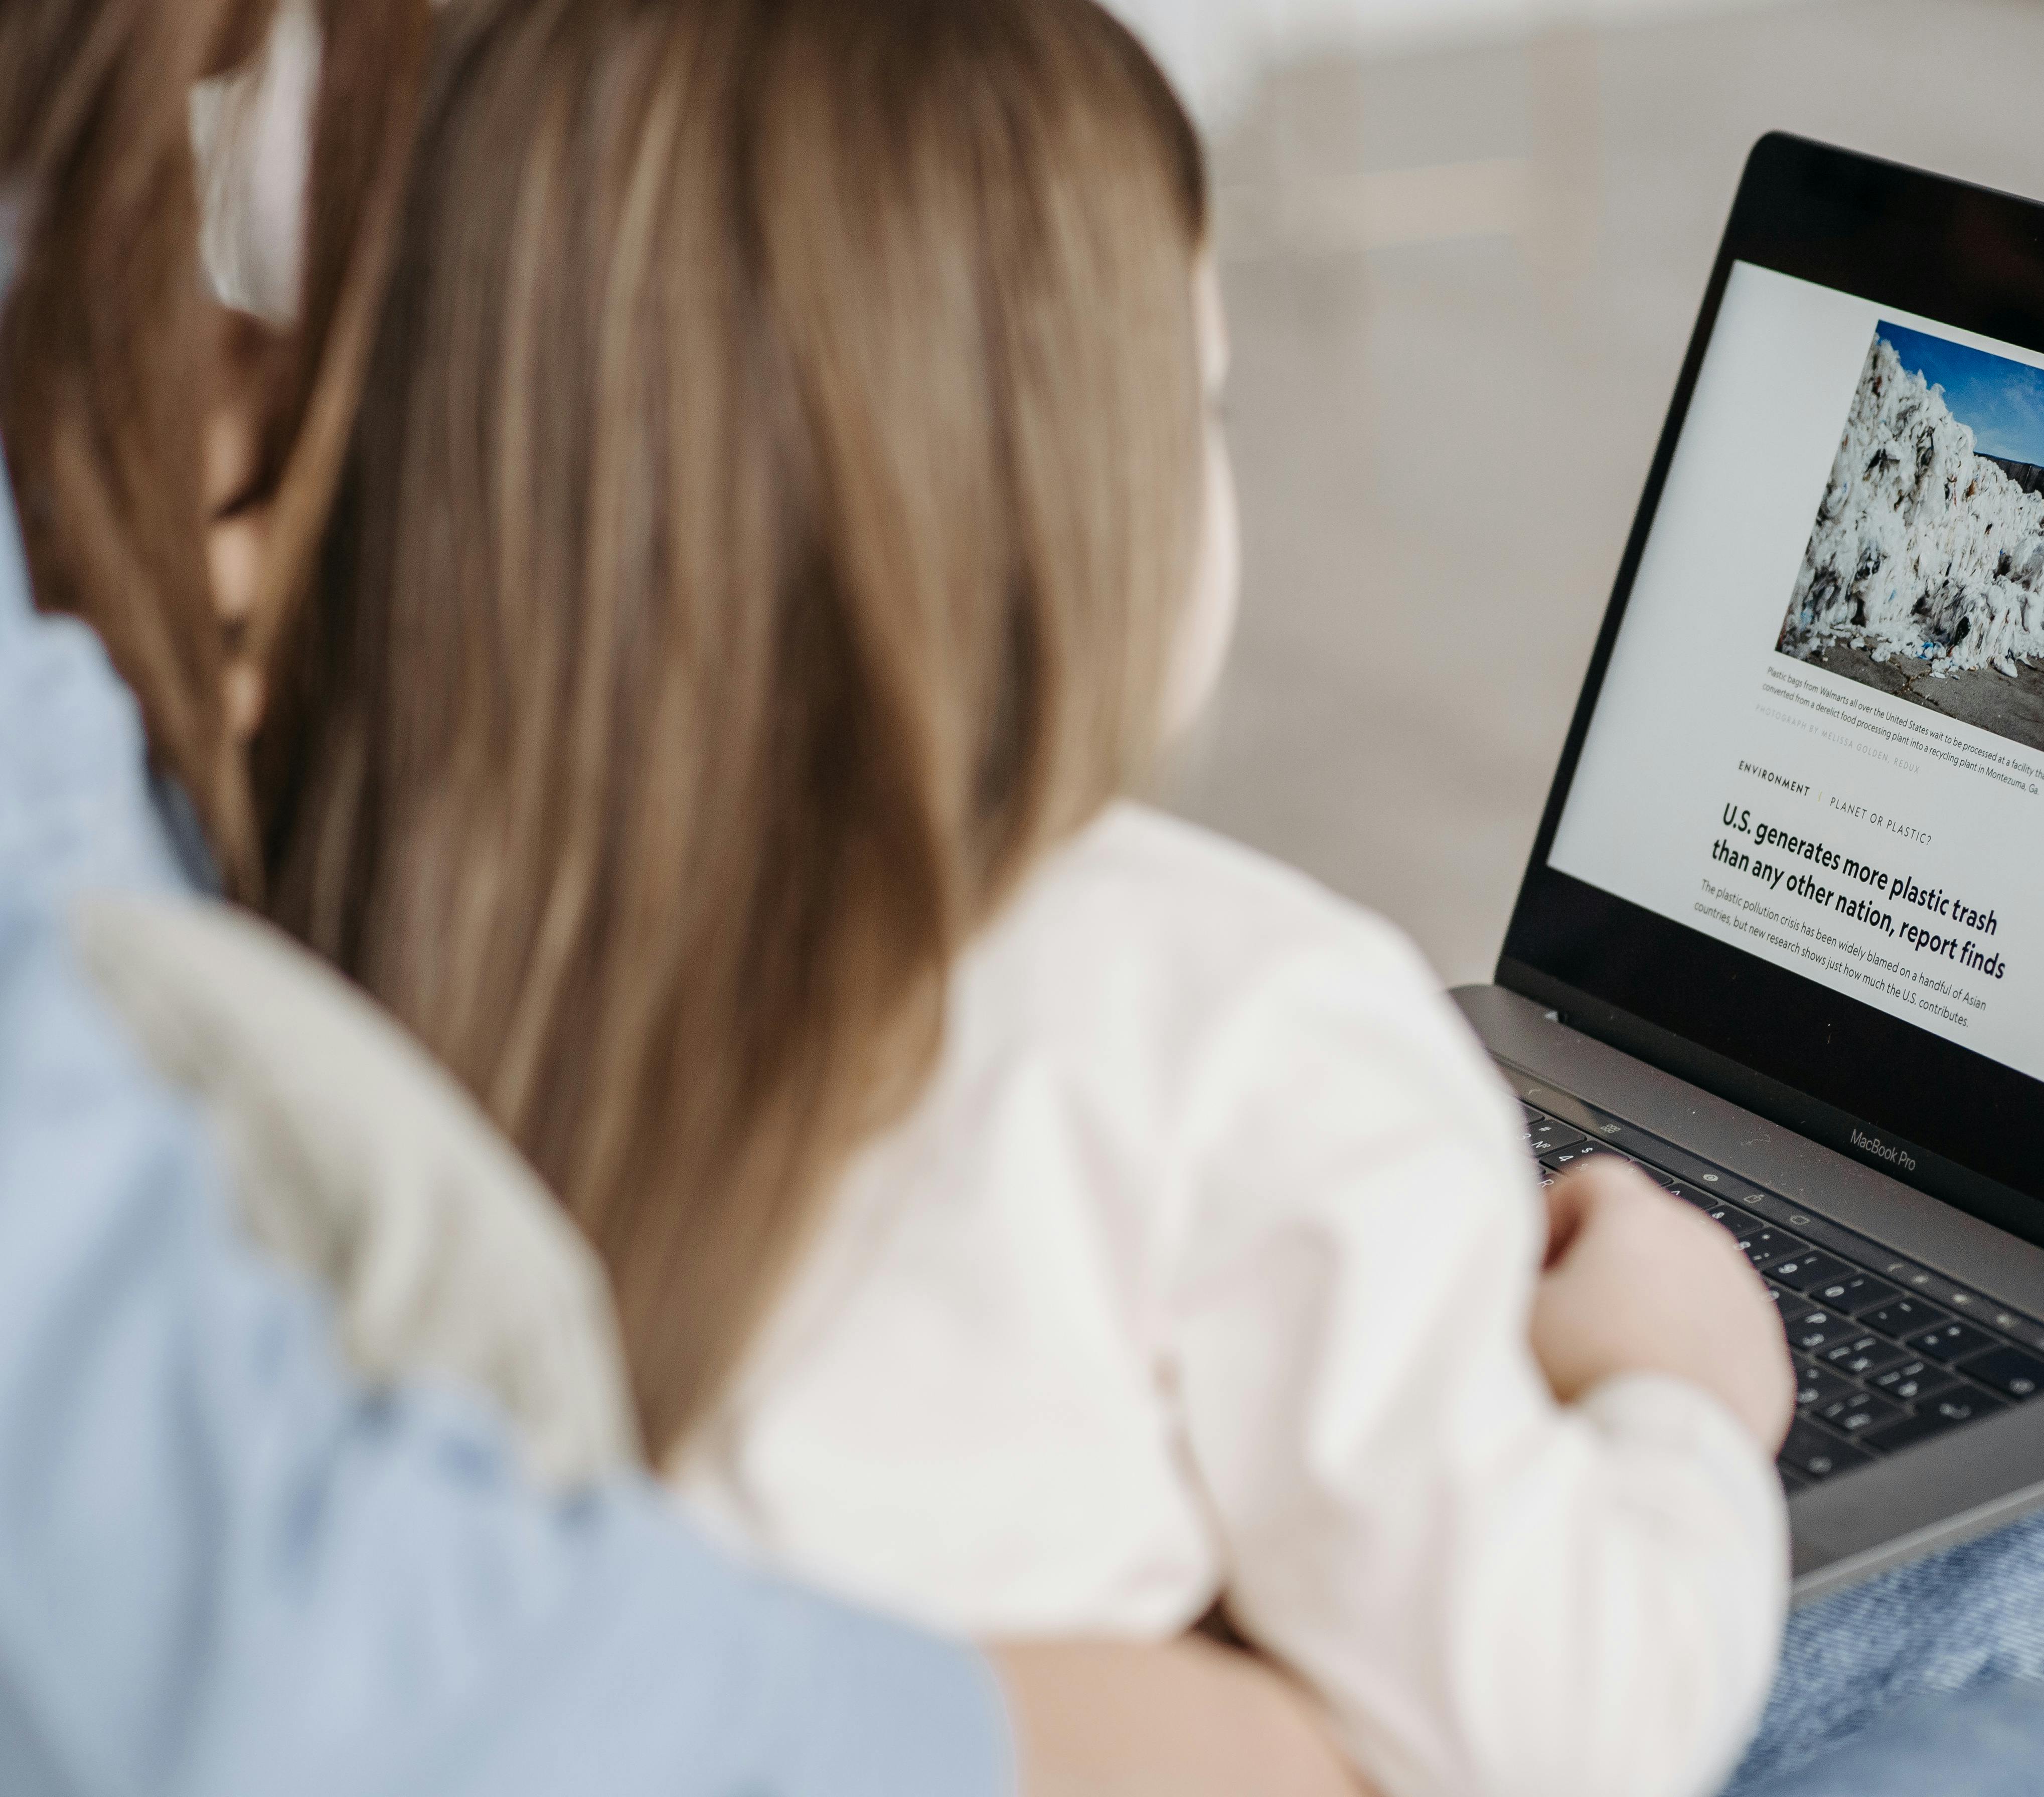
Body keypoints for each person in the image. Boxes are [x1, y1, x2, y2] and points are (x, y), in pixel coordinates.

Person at [261, 4, 1797, 1795]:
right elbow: (1573, 1732)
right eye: (1200, 402)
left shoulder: (337, 922)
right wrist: (1677, 1398)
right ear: (1077, 487)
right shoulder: (1237, 1017)